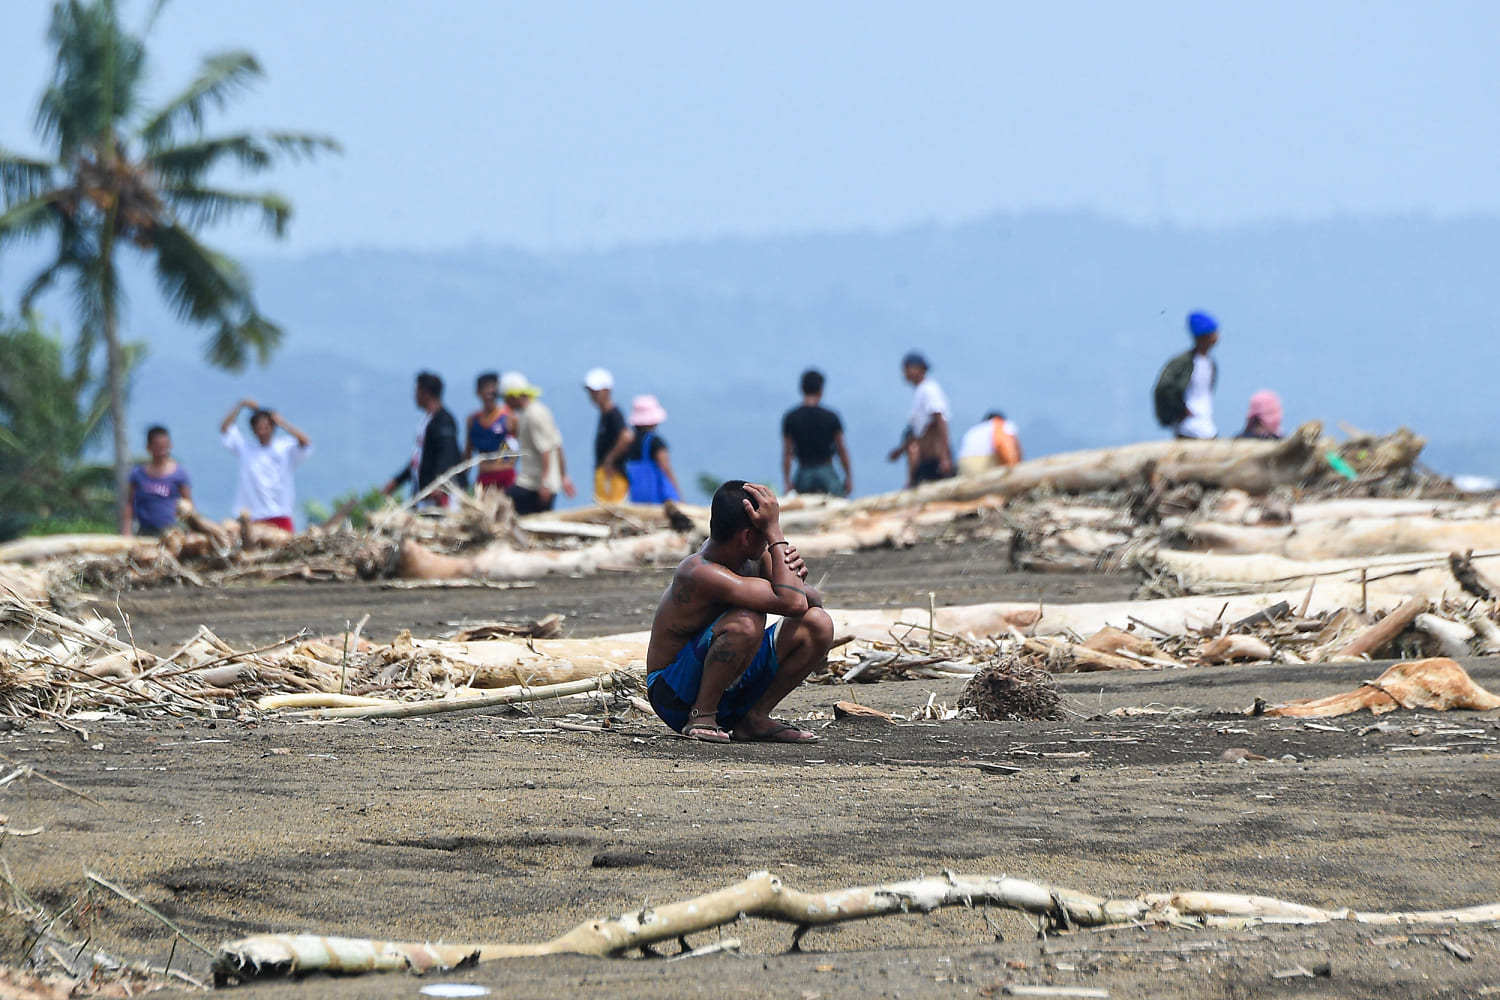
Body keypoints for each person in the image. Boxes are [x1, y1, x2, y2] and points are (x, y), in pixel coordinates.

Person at [646, 481, 832, 743]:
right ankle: (702, 715)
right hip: (674, 694)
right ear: (747, 537)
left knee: (818, 624)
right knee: (747, 620)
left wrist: (791, 573)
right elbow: (792, 602)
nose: (769, 541)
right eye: (764, 532)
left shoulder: (753, 556)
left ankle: (754, 718)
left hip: (730, 684)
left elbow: (808, 600)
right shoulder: (700, 572)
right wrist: (777, 535)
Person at [220, 398, 312, 531]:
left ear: (273, 428)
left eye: (266, 427)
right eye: (259, 428)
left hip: (280, 513)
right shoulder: (246, 449)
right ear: (253, 430)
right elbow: (225, 429)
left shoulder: (285, 447)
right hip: (252, 516)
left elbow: (305, 442)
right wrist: (240, 405)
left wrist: (282, 422)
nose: (263, 432)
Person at [382, 372, 467, 506]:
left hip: (439, 496)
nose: (414, 396)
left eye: (417, 391)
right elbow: (419, 459)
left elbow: (447, 453)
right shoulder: (427, 421)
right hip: (423, 493)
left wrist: (438, 483)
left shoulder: (443, 420)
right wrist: (398, 480)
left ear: (425, 393)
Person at [502, 371, 575, 515]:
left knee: (505, 505)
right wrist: (563, 476)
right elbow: (558, 445)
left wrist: (545, 483)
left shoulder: (532, 416)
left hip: (534, 484)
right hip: (542, 483)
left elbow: (545, 450)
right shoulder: (539, 411)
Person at [781, 368, 853, 496]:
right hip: (826, 470)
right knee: (839, 504)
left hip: (804, 472)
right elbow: (841, 449)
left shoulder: (791, 417)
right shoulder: (831, 416)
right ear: (821, 389)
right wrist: (848, 476)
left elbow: (787, 453)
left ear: (802, 388)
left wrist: (787, 481)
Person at [887, 351, 953, 486]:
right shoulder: (920, 392)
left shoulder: (929, 390)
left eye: (907, 368)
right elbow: (918, 432)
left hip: (935, 459)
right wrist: (900, 450)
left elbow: (939, 420)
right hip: (925, 460)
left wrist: (944, 457)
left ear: (919, 369)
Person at [1153, 311, 1220, 440]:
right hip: (1188, 428)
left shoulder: (1211, 364)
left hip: (1208, 427)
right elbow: (1163, 388)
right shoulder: (1184, 362)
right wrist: (1180, 410)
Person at [123, 425, 191, 537]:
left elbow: (188, 505)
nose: (162, 452)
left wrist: (191, 531)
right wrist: (126, 530)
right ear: (148, 447)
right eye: (158, 447)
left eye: (165, 447)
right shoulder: (137, 474)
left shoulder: (179, 474)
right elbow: (129, 504)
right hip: (145, 531)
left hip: (171, 532)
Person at [584, 367, 632, 503]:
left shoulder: (613, 414)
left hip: (613, 474)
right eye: (591, 392)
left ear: (607, 391)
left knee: (611, 512)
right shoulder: (605, 415)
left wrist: (609, 460)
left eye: (596, 392)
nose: (593, 396)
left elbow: (626, 437)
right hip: (605, 473)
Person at [623, 394, 682, 503]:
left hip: (637, 498)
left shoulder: (631, 443)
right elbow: (666, 468)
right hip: (657, 499)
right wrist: (678, 494)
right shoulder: (656, 443)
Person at [465, 372, 517, 493]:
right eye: (485, 388)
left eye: (493, 388)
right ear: (478, 392)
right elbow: (468, 452)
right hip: (484, 477)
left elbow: (520, 446)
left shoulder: (509, 417)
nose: (489, 392)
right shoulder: (473, 420)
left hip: (505, 477)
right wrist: (462, 478)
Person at [957, 411, 1024, 476]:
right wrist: (1014, 469)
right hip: (983, 463)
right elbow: (1005, 445)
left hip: (962, 464)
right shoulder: (1001, 424)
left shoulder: (974, 430)